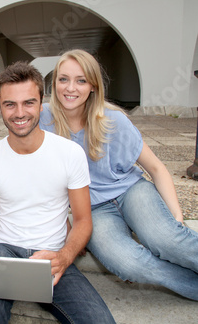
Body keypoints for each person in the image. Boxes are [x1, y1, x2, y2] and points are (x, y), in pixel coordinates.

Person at [40, 49, 198, 300]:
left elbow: (156, 168)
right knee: (129, 263)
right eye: (63, 79)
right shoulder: (42, 120)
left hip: (131, 191)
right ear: (54, 82)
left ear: (92, 86)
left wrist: (176, 217)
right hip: (93, 209)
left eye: (81, 80)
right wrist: (65, 224)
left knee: (166, 239)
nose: (70, 88)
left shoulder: (113, 120)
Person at [0, 61, 115, 324]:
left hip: (53, 253)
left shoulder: (69, 153)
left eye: (28, 103)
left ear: (41, 103)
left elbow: (82, 221)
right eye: (10, 104)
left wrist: (65, 255)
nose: (19, 112)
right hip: (5, 253)